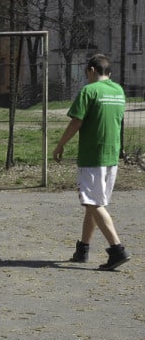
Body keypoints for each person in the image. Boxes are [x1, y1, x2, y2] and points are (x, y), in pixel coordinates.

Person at [53, 53, 130, 271]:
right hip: (111, 155)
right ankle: (83, 249)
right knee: (94, 204)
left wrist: (60, 145)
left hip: (92, 156)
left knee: (93, 203)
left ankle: (117, 249)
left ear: (92, 70)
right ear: (110, 73)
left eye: (86, 73)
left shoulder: (89, 91)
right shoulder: (118, 91)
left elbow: (77, 121)